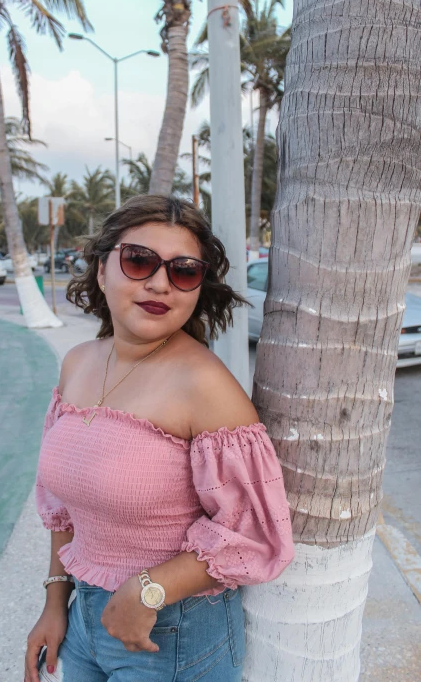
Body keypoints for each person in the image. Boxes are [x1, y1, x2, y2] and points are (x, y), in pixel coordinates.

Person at [25, 195, 294, 682]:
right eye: (138, 260)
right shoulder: (79, 363)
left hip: (171, 631)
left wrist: (148, 590)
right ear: (102, 268)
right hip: (85, 619)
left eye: (183, 271)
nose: (159, 283)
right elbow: (61, 506)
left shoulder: (206, 387)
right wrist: (54, 601)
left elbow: (257, 533)